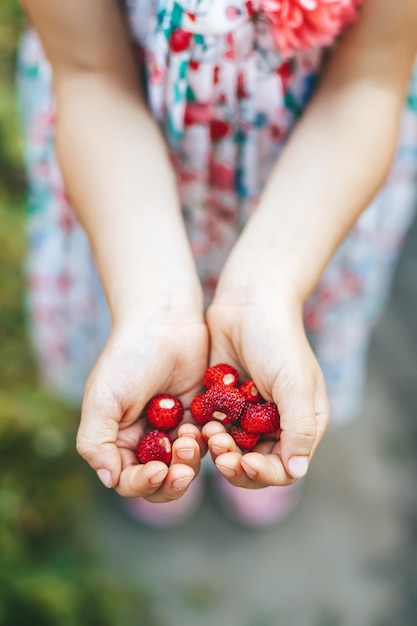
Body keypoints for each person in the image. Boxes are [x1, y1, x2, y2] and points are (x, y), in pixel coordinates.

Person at [17, 0, 417, 526]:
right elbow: (92, 74)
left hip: (312, 199)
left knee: (282, 362)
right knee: (152, 368)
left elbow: (368, 80)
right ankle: (170, 432)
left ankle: (247, 426)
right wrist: (153, 305)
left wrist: (268, 292)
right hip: (124, 188)